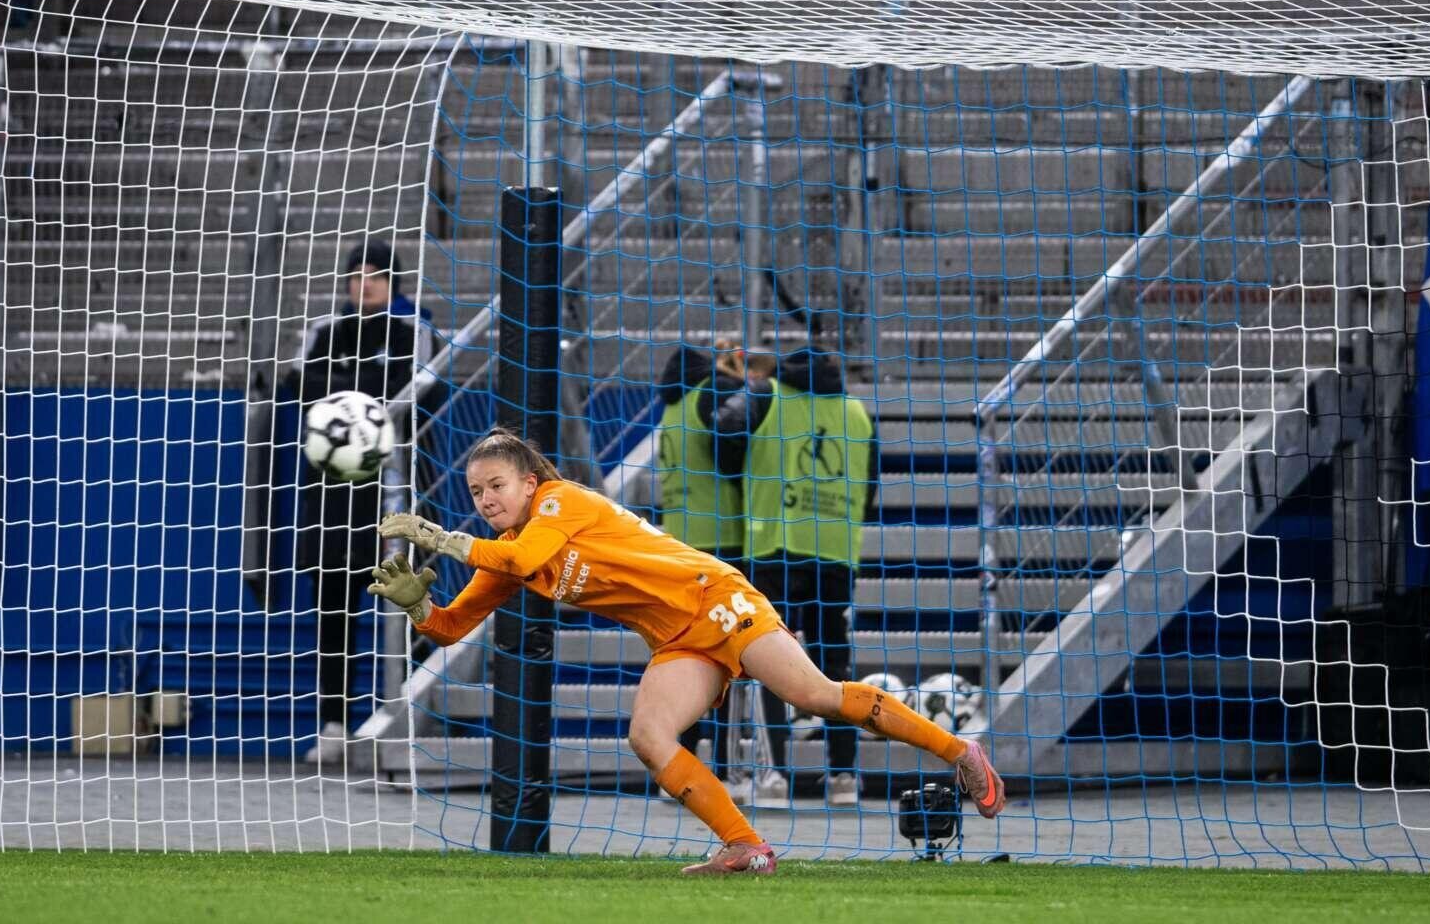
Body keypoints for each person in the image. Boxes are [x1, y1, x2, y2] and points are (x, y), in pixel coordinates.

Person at [369, 428, 1003, 877]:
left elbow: (523, 557)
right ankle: (745, 846)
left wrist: (437, 537)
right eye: (476, 492)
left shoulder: (561, 502)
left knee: (812, 695)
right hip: (677, 639)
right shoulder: (503, 547)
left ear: (530, 481)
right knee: (649, 735)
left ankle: (962, 753)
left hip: (715, 598)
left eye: (496, 485)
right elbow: (453, 628)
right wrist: (418, 608)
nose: (486, 502)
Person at [712, 347, 878, 807]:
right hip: (837, 552)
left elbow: (720, 436)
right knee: (835, 661)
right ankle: (844, 777)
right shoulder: (857, 413)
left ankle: (773, 777)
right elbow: (870, 486)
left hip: (773, 545)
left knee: (766, 659)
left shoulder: (766, 395)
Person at [288, 241, 420, 764]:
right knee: (334, 612)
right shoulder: (324, 331)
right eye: (355, 275)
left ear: (394, 284)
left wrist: (340, 393)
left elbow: (412, 387)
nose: (363, 284)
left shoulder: (412, 333)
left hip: (393, 495)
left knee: (412, 604)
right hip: (331, 498)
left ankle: (406, 711)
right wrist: (360, 391)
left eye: (375, 276)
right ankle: (335, 722)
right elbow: (298, 384)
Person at [652, 343, 748, 781]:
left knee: (682, 658)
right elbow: (732, 450)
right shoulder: (711, 393)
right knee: (726, 661)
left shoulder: (671, 408)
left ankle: (679, 764)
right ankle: (726, 769)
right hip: (721, 544)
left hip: (676, 552)